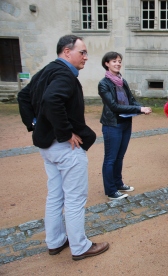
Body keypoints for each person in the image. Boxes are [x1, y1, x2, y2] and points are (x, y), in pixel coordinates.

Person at [17, 35, 109, 260]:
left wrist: (37, 124)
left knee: (56, 196)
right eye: (83, 52)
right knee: (75, 199)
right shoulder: (64, 74)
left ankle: (55, 241)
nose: (86, 57)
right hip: (64, 148)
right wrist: (65, 132)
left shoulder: (48, 70)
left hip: (48, 147)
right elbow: (51, 100)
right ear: (67, 52)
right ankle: (80, 247)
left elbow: (23, 96)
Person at [98, 52, 152, 200]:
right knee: (110, 158)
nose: (117, 63)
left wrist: (142, 107)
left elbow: (131, 100)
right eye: (114, 61)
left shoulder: (123, 81)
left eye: (119, 61)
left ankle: (118, 183)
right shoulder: (104, 84)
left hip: (125, 123)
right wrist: (138, 109)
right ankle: (111, 191)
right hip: (112, 125)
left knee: (119, 157)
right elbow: (114, 106)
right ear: (107, 63)